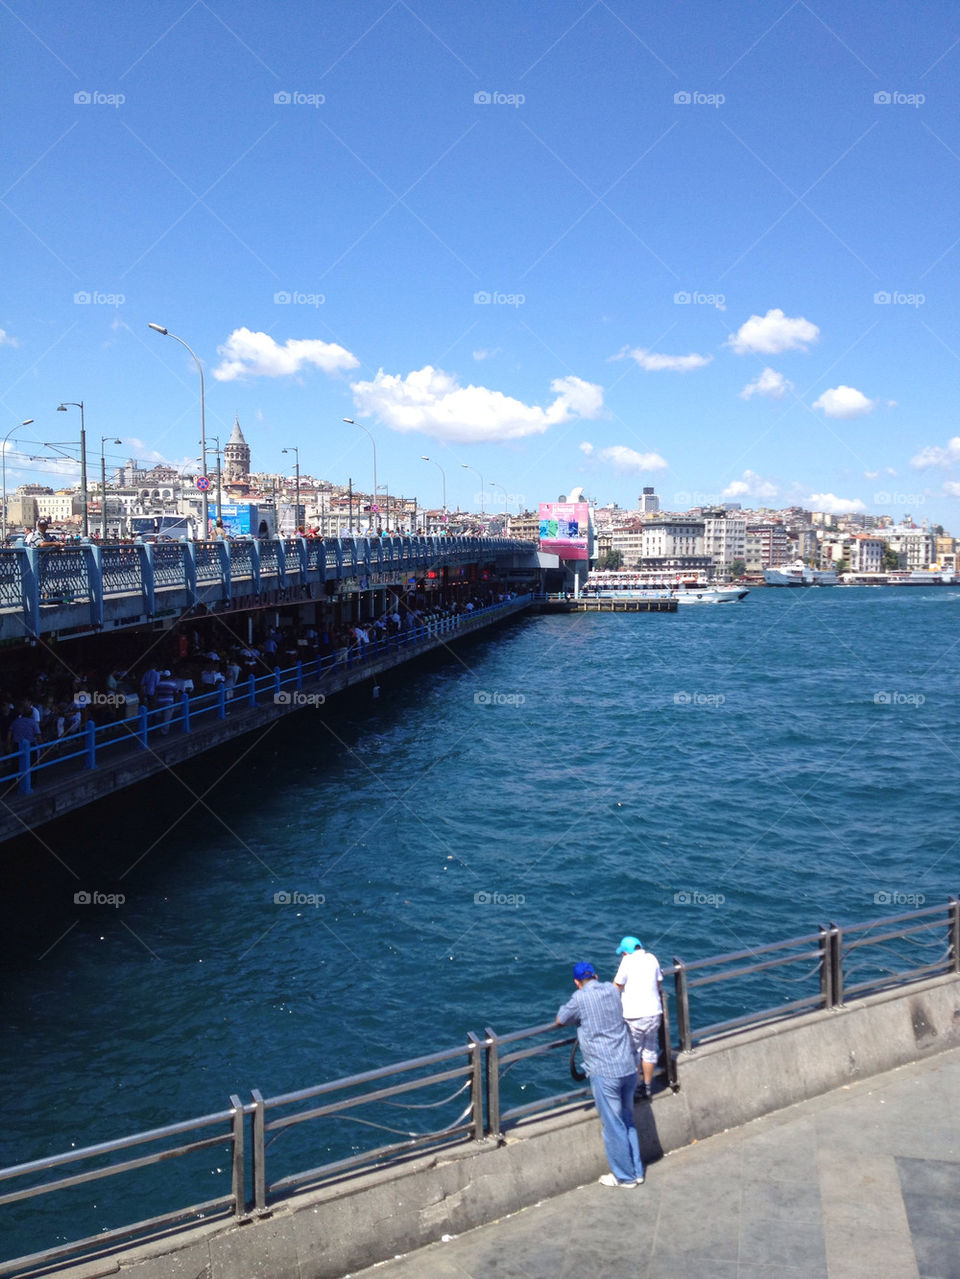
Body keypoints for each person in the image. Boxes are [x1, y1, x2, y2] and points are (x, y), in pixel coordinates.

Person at [555, 961, 645, 1188]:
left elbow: (561, 1019)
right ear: (595, 976)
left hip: (605, 1072)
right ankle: (637, 1170)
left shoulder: (580, 998)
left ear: (577, 982)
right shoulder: (612, 991)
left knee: (613, 1126)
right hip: (628, 1066)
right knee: (628, 1120)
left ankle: (624, 1177)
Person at [613, 936, 663, 1099]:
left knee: (633, 1053)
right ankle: (647, 1087)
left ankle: (633, 1090)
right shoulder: (652, 958)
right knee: (649, 1050)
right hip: (654, 1013)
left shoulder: (627, 962)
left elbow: (616, 987)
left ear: (626, 953)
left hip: (634, 1016)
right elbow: (658, 984)